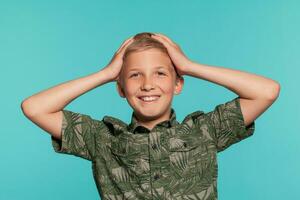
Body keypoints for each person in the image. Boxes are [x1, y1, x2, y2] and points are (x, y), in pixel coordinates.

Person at [21, 32, 280, 200]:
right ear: (121, 88)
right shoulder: (101, 138)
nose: (147, 85)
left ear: (178, 84)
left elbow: (267, 91)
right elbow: (34, 107)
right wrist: (105, 73)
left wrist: (189, 66)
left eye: (160, 73)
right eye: (135, 75)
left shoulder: (204, 131)